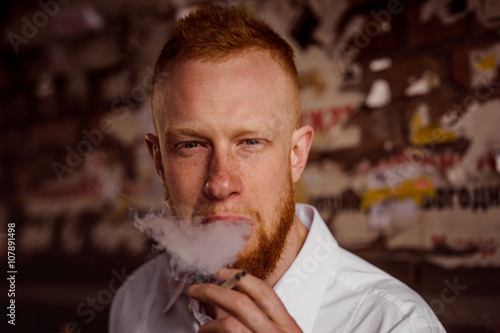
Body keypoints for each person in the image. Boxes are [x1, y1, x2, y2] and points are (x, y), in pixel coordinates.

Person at [110, 5, 446, 333]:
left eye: (251, 142)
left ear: (296, 155)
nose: (221, 183)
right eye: (192, 145)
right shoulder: (135, 301)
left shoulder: (395, 323)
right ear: (158, 162)